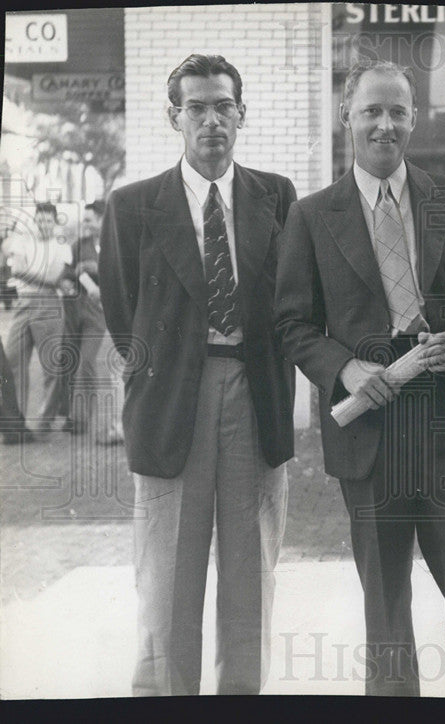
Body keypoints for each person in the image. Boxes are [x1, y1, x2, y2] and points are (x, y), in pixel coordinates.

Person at [274, 58, 445, 699]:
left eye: (398, 111)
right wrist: (343, 367)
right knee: (385, 609)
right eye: (371, 111)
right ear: (346, 118)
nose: (386, 124)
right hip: (370, 434)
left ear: (415, 118)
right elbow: (292, 322)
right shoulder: (312, 216)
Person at [99, 54, 297, 695]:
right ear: (173, 117)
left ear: (242, 113)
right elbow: (123, 311)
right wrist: (169, 369)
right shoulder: (133, 206)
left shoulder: (277, 195)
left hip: (255, 393)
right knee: (167, 577)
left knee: (251, 574)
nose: (211, 121)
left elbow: (292, 299)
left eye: (223, 106)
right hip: (171, 400)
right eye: (196, 108)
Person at [2, 202, 73, 433]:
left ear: (55, 222)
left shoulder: (61, 246)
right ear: (35, 220)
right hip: (24, 303)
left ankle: (46, 419)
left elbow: (54, 276)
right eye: (40, 220)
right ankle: (16, 420)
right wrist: (46, 279)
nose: (44, 224)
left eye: (48, 221)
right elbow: (16, 271)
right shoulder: (24, 240)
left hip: (48, 305)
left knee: (51, 365)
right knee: (13, 361)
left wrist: (33, 275)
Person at [57, 200, 123, 444]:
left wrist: (97, 268)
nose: (84, 224)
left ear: (102, 219)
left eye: (88, 219)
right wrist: (67, 280)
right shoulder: (78, 245)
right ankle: (74, 416)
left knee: (86, 361)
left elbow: (123, 277)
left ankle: (85, 418)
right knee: (71, 361)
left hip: (98, 313)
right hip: (76, 311)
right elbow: (64, 274)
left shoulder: (115, 245)